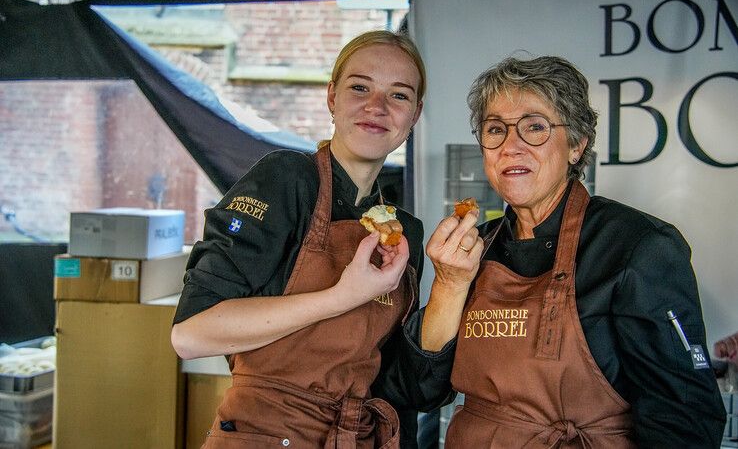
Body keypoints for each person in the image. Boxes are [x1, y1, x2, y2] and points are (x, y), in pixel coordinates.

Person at [418, 55, 727, 447]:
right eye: (496, 129)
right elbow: (422, 390)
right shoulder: (471, 250)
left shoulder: (639, 247)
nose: (511, 147)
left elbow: (685, 420)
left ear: (577, 145)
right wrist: (448, 283)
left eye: (535, 127)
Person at [170, 30, 450, 448]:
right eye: (360, 88)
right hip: (264, 435)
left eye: (398, 95)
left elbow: (396, 387)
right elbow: (191, 335)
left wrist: (453, 284)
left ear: (415, 114)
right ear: (332, 97)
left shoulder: (404, 230)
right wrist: (341, 296)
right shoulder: (285, 181)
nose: (376, 107)